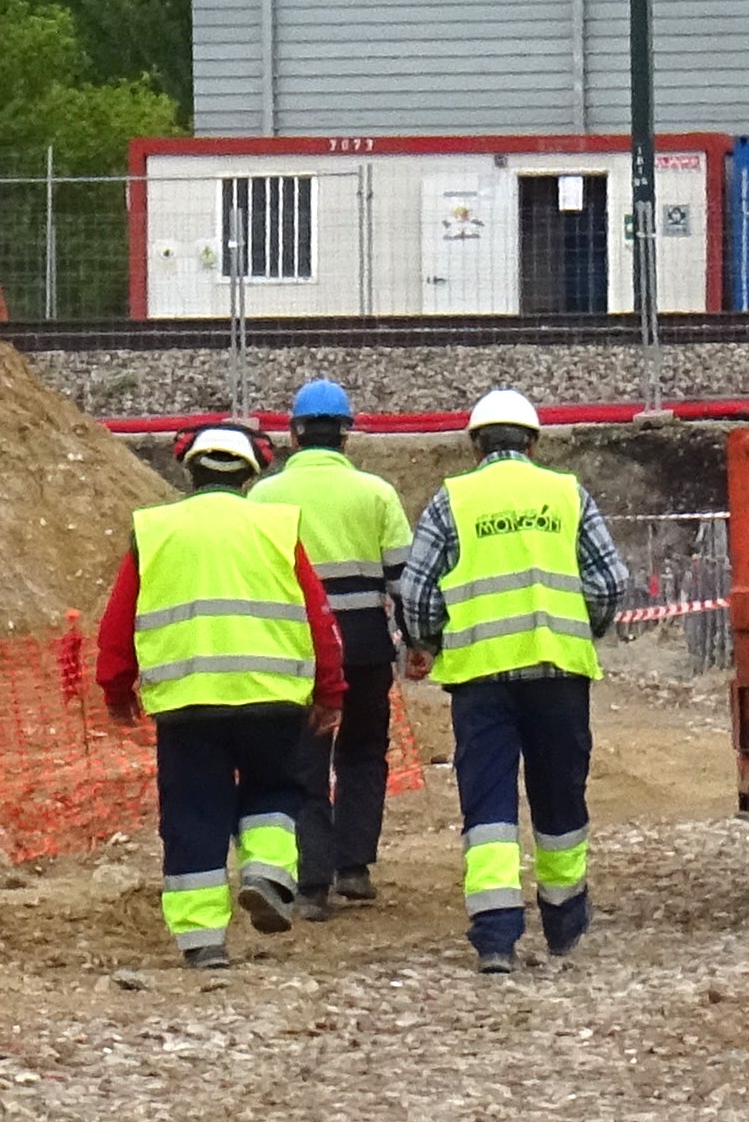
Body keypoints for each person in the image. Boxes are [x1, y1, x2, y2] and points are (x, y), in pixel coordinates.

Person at [391, 387, 630, 975]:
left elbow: (417, 593)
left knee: (490, 802)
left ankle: (496, 935)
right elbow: (610, 581)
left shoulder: (453, 501)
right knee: (559, 794)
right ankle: (564, 920)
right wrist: (580, 627)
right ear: (532, 441)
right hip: (558, 672)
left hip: (481, 681)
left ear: (475, 444)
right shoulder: (565, 494)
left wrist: (430, 642)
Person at [94, 420, 342, 969]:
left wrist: (116, 685)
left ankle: (202, 938)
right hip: (273, 696)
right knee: (274, 789)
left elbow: (120, 617)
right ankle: (267, 874)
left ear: (189, 470)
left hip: (187, 704)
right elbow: (317, 614)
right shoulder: (276, 527)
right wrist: (331, 689)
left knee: (192, 812)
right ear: (252, 473)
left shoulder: (156, 529)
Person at [250, 377, 408, 907]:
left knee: (303, 761)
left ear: (295, 434)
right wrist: (418, 643)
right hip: (364, 647)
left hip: (296, 649)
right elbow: (401, 579)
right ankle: (354, 867)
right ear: (346, 436)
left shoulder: (265, 495)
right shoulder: (377, 493)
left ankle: (311, 884)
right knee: (363, 753)